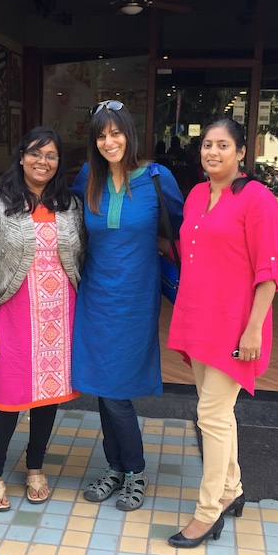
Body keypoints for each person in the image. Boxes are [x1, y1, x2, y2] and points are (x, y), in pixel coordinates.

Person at [166, 118, 278, 548]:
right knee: (216, 413)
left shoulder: (259, 199)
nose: (211, 152)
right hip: (199, 318)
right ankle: (232, 489)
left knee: (211, 416)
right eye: (206, 145)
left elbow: (270, 271)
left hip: (236, 326)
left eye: (222, 145)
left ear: (241, 152)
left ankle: (207, 511)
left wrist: (253, 329)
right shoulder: (198, 194)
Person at [0, 126, 85, 511]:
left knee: (47, 397)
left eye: (51, 156)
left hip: (59, 315)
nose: (42, 161)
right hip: (13, 315)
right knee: (8, 396)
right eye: (35, 153)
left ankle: (35, 467)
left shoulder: (70, 205)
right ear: (21, 156)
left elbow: (81, 259)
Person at [71, 100, 183, 512]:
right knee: (102, 387)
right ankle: (116, 468)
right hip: (95, 297)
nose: (108, 141)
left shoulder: (157, 178)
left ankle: (133, 469)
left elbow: (182, 230)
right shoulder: (88, 177)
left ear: (129, 134)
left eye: (115, 132)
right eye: (101, 135)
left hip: (134, 300)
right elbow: (66, 223)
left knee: (116, 390)